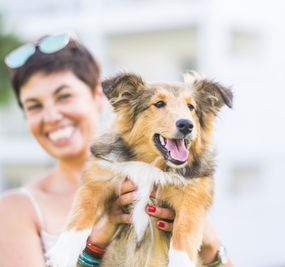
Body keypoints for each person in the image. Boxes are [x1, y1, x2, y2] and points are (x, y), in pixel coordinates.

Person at [0, 33, 232, 266]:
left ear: (99, 96)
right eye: (34, 106)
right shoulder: (15, 209)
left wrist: (212, 251)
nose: (51, 116)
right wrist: (97, 243)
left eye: (64, 96)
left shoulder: (182, 179)